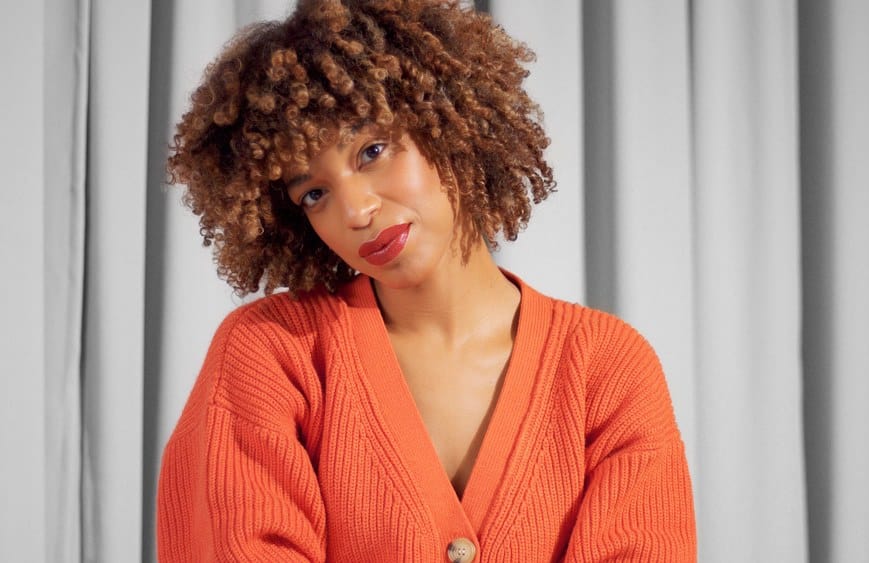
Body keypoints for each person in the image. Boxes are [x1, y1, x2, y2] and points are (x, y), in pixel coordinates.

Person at [156, 0, 696, 561]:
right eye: (314, 194)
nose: (356, 211)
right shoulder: (271, 357)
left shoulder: (607, 369)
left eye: (372, 151)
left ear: (448, 123)